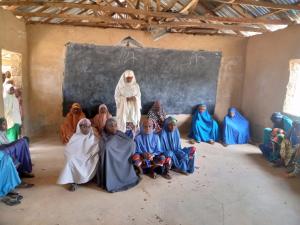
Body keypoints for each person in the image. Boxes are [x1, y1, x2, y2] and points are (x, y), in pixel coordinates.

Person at [97, 118, 139, 192]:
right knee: (108, 147)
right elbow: (104, 149)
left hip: (122, 154)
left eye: (115, 125)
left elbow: (128, 141)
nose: (114, 128)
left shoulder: (119, 133)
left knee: (132, 143)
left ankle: (131, 169)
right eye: (111, 126)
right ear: (106, 127)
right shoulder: (104, 136)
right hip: (112, 159)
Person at [58, 118, 99, 191]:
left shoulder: (93, 137)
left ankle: (90, 178)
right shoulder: (75, 137)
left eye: (88, 127)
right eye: (84, 127)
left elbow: (96, 148)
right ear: (79, 127)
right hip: (77, 158)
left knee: (97, 157)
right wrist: (73, 156)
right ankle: (73, 181)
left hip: (89, 157)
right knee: (70, 160)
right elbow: (68, 150)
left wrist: (91, 154)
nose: (86, 129)